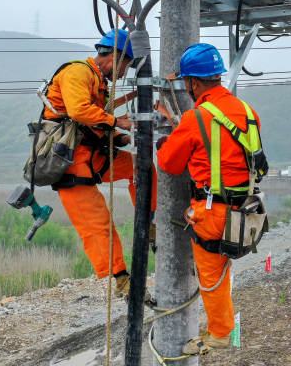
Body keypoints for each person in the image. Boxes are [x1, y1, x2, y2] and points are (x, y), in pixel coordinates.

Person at [156, 43, 266, 355]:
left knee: (212, 275)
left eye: (186, 83)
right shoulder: (248, 112)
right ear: (216, 76)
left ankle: (220, 332)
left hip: (212, 213)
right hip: (247, 209)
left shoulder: (195, 118)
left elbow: (169, 163)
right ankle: (220, 325)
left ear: (193, 82)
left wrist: (167, 140)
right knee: (221, 270)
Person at [43, 28, 157, 300]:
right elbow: (79, 111)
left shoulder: (98, 80)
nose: (124, 71)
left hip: (92, 156)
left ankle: (152, 222)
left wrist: (120, 137)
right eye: (126, 64)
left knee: (142, 167)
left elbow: (92, 122)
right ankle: (122, 279)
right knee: (97, 224)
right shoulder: (78, 72)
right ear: (116, 56)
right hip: (69, 164)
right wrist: (119, 122)